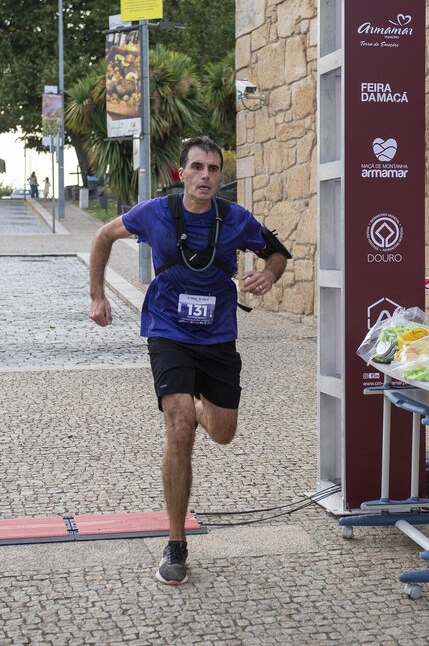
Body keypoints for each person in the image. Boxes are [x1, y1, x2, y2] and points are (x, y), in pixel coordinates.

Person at [88, 136, 291, 586]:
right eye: (197, 167)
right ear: (182, 173)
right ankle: (176, 544)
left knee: (223, 432)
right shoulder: (155, 213)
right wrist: (97, 295)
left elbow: (277, 252)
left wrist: (268, 274)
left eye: (213, 169)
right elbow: (103, 236)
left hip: (218, 337)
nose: (205, 176)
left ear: (219, 175)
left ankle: (200, 408)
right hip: (169, 331)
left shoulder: (236, 219)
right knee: (178, 424)